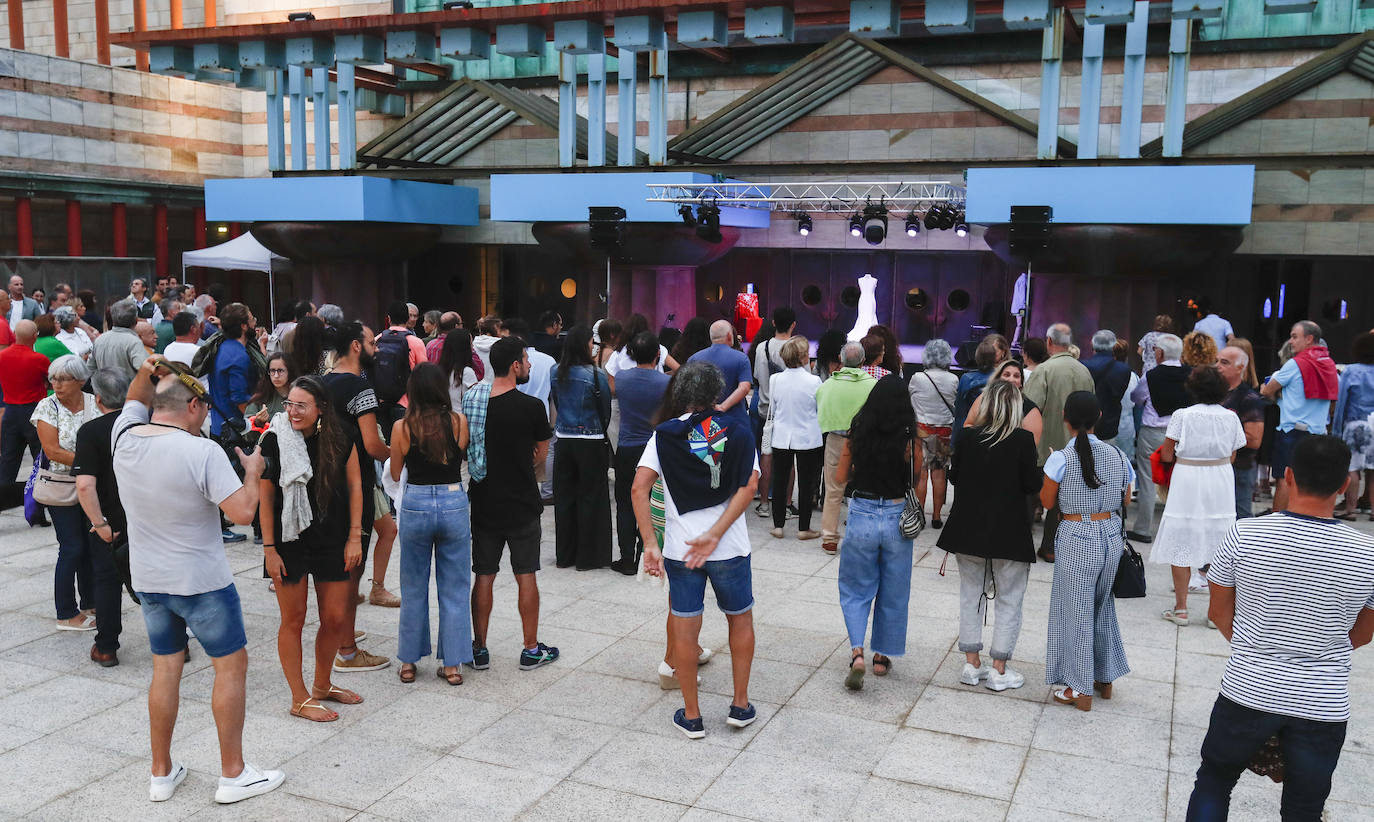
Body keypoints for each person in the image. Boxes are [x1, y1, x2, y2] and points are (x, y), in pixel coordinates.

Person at [112, 356, 285, 804]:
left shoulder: (124, 437)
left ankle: (160, 773)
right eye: (203, 408)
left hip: (149, 579)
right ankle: (233, 773)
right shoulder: (201, 451)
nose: (206, 415)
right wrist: (252, 472)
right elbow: (244, 514)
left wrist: (149, 368)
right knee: (230, 665)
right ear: (191, 405)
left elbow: (134, 397)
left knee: (165, 668)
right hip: (201, 580)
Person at [1188, 435, 1374, 821]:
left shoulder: (1245, 534)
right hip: (1323, 701)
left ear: (1287, 476)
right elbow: (1362, 633)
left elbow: (1221, 614)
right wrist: (1319, 647)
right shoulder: (1367, 553)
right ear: (1343, 486)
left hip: (1248, 687)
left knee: (1215, 781)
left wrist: (1257, 644)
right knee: (1304, 808)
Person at [634, 361, 759, 738]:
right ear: (716, 393)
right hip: (731, 547)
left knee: (686, 631)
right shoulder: (738, 429)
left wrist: (650, 544)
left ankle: (692, 715)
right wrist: (717, 533)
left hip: (680, 548)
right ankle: (739, 705)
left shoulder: (663, 435)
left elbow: (639, 489)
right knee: (740, 620)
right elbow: (749, 487)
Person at [258, 375, 365, 722]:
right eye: (289, 403)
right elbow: (266, 496)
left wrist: (354, 536)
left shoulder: (342, 435)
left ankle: (322, 685)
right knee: (295, 619)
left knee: (335, 617)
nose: (292, 411)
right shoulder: (275, 439)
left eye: (301, 405)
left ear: (321, 408)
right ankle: (299, 698)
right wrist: (269, 549)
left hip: (332, 535)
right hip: (288, 538)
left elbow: (355, 484)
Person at [940, 380, 1042, 692]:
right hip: (1009, 531)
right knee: (1010, 598)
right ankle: (999, 667)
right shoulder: (1024, 440)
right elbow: (1030, 486)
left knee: (970, 594)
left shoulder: (969, 437)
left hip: (967, 528)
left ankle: (972, 663)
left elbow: (954, 476)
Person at [463, 336, 558, 671]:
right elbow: (542, 458)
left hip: (485, 500)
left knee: (484, 575)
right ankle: (530, 648)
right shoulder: (532, 408)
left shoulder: (473, 401)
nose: (529, 366)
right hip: (522, 501)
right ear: (516, 365)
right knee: (526, 574)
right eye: (526, 361)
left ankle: (479, 648)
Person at [1041, 391, 1133, 711]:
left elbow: (1047, 502)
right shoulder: (1118, 455)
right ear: (1098, 419)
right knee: (1102, 605)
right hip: (1109, 533)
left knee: (1076, 611)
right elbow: (1126, 497)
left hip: (1077, 534)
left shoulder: (1061, 458)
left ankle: (1079, 688)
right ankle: (1104, 678)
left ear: (1065, 419)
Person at [390, 363, 471, 685]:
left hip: (417, 503)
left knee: (413, 587)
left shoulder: (402, 427)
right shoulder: (458, 421)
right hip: (453, 501)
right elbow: (458, 458)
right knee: (454, 588)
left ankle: (409, 662)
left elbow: (396, 473)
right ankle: (452, 665)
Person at [834, 375, 915, 691]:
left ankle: (857, 652)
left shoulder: (858, 431)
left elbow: (841, 477)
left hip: (864, 512)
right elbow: (916, 476)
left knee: (855, 587)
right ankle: (882, 656)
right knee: (894, 588)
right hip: (897, 515)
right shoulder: (909, 436)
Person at [321, 322, 394, 672]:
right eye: (370, 342)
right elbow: (372, 445)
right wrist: (399, 454)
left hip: (322, 485)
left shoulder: (320, 382)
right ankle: (347, 651)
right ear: (354, 346)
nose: (376, 348)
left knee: (333, 568)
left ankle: (338, 633)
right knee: (352, 569)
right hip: (354, 487)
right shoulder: (359, 387)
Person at [1153, 366, 1246, 625]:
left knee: (1181, 537)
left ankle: (1181, 608)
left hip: (1187, 477)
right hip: (1220, 478)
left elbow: (1167, 454)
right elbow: (1233, 454)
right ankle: (1215, 613)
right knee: (1220, 542)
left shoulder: (1182, 416)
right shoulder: (1231, 417)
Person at [32, 355, 100, 630]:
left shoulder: (95, 403)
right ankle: (66, 612)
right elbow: (53, 451)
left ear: (81, 381)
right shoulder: (47, 407)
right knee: (71, 547)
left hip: (91, 485)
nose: (56, 385)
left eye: (63, 379)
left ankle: (90, 600)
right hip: (61, 486)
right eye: (53, 378)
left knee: (91, 546)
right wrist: (94, 461)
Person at [73, 368, 132, 666]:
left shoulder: (92, 431)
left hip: (112, 522)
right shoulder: (143, 424)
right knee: (157, 580)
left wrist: (99, 524)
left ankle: (107, 646)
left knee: (108, 582)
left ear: (97, 399)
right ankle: (176, 643)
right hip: (145, 516)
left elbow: (84, 484)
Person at [1024, 324, 1095, 562]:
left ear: (1049, 341)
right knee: (1060, 502)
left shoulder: (1044, 370)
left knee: (1031, 495)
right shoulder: (1084, 371)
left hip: (1042, 446)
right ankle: (1050, 547)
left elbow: (1030, 408)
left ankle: (1023, 543)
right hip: (1074, 447)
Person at [549, 324, 613, 571]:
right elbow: (604, 406)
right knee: (590, 497)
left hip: (564, 438)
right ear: (585, 345)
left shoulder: (556, 371)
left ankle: (565, 555)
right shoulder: (595, 375)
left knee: (564, 497)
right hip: (591, 439)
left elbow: (555, 398)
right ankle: (588, 557)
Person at [1261, 320, 1337, 515]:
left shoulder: (1295, 364)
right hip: (1318, 433)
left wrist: (1266, 390)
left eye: (1295, 336)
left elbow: (1268, 390)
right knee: (1311, 481)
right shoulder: (1329, 365)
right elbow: (1333, 399)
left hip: (1292, 432)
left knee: (1284, 478)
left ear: (1309, 339)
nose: (1291, 341)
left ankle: (1277, 524)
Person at [613, 331, 671, 574]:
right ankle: (647, 548)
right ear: (658, 354)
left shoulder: (622, 378)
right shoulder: (665, 383)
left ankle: (627, 557)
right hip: (655, 448)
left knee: (625, 502)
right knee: (651, 501)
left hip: (626, 446)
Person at [815, 342, 877, 555]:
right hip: (864, 441)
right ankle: (862, 537)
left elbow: (819, 408)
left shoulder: (827, 385)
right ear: (862, 361)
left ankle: (830, 539)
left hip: (835, 439)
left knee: (833, 491)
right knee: (863, 490)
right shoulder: (872, 384)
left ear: (841, 360)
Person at [1128, 333, 1188, 543]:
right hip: (1181, 432)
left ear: (1160, 353)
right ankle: (1177, 531)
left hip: (1153, 431)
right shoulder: (1190, 375)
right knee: (1179, 481)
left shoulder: (1152, 375)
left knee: (1146, 480)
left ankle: (1143, 529)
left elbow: (1136, 398)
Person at [767, 335, 822, 540]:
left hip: (782, 435)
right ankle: (804, 528)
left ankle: (778, 525)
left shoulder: (775, 380)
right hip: (807, 435)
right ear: (804, 357)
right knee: (806, 482)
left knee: (780, 480)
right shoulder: (814, 381)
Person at [908, 338, 958, 528]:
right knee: (939, 475)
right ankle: (936, 517)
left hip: (921, 430)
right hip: (944, 431)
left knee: (921, 475)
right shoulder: (953, 379)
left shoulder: (918, 378)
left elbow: (910, 398)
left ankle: (920, 514)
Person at [753, 308, 796, 516]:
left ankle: (763, 503)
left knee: (766, 454)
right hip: (788, 411)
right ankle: (787, 504)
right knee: (788, 459)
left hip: (765, 409)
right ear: (793, 325)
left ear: (772, 322)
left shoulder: (762, 347)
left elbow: (757, 376)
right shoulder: (796, 347)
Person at [1218, 346, 1266, 521]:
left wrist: (1216, 436)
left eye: (1224, 362)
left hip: (1240, 468)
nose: (1217, 366)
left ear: (1240, 368)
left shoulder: (1248, 398)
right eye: (1217, 361)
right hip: (1217, 466)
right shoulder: (1216, 394)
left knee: (1240, 517)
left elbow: (1254, 440)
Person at [0, 320, 50, 484]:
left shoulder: (2, 356)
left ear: (14, 334)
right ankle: (41, 499)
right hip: (34, 412)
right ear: (35, 337)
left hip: (11, 411)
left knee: (8, 461)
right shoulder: (39, 359)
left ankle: (3, 500)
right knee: (40, 459)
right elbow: (50, 381)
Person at [1331, 332, 1374, 521]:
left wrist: (1336, 430)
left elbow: (1341, 403)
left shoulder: (1352, 370)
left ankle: (1351, 509)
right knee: (1372, 469)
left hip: (1355, 423)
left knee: (1353, 468)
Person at [687, 320, 754, 429]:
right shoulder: (741, 358)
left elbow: (688, 390)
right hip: (736, 421)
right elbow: (745, 387)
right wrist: (722, 407)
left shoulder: (694, 359)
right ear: (729, 335)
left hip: (704, 422)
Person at [205, 302, 256, 439]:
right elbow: (239, 399)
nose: (255, 323)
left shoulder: (221, 347)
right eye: (252, 319)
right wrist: (253, 424)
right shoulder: (238, 356)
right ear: (243, 326)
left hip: (218, 424)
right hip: (233, 431)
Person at [964, 359, 1044, 444]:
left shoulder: (1030, 410)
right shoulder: (984, 399)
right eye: (1006, 375)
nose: (1011, 379)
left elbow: (1031, 446)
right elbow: (968, 426)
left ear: (1021, 383)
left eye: (1016, 376)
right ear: (997, 378)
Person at [1082, 329, 1131, 441]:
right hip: (1110, 426)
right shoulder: (1124, 370)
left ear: (1092, 343)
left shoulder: (1083, 366)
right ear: (1114, 345)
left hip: (1084, 425)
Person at [952, 334, 1008, 431]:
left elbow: (960, 411)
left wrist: (956, 440)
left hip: (971, 431)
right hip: (993, 431)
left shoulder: (967, 379)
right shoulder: (1003, 378)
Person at [91, 299, 147, 380]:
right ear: (136, 320)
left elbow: (89, 368)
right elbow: (145, 368)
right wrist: (158, 362)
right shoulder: (134, 342)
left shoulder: (99, 340)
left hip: (103, 390)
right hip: (128, 391)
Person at [247, 353, 293, 432]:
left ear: (290, 371)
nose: (276, 375)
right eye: (272, 371)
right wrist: (258, 422)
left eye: (280, 371)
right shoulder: (259, 398)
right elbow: (246, 432)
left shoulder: (300, 395)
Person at [438, 327, 478, 408]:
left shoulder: (439, 371)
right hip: (460, 417)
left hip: (443, 417)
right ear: (464, 348)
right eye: (470, 343)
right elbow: (475, 401)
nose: (473, 346)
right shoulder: (467, 372)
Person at [472, 315, 503, 383]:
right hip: (497, 388)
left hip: (476, 388)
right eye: (501, 329)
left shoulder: (472, 346)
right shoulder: (502, 346)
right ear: (496, 328)